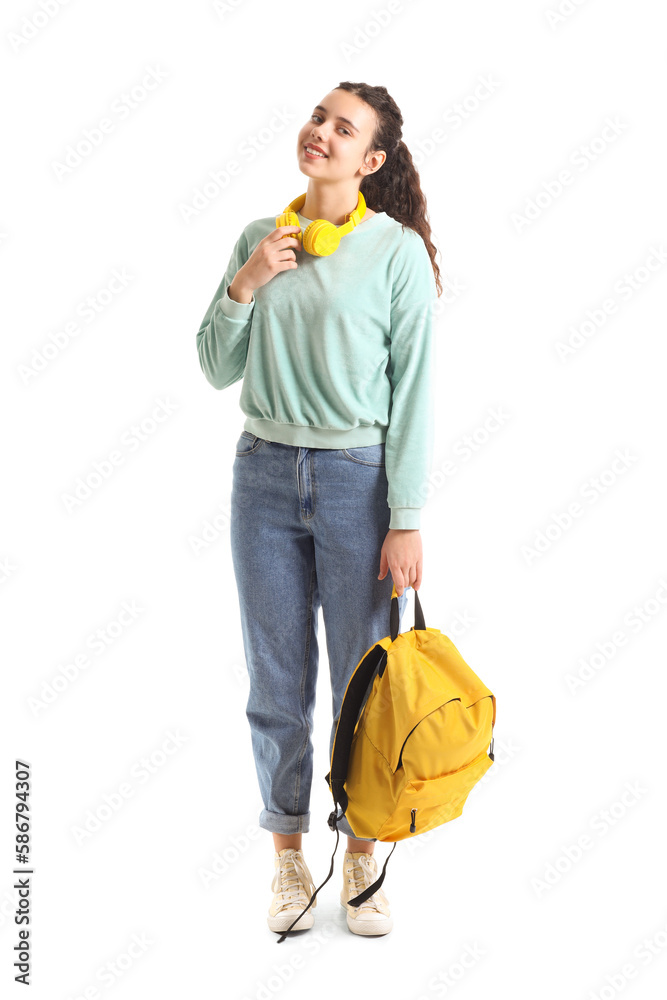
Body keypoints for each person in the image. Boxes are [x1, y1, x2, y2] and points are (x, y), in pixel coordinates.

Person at [196, 81, 442, 937]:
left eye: (344, 129)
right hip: (261, 475)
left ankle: (363, 850)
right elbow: (214, 367)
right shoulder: (259, 238)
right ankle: (289, 859)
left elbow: (413, 393)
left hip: (356, 482)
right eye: (317, 117)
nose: (320, 133)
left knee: (361, 682)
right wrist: (248, 280)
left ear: (371, 161)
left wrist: (405, 514)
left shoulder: (395, 252)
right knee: (276, 681)